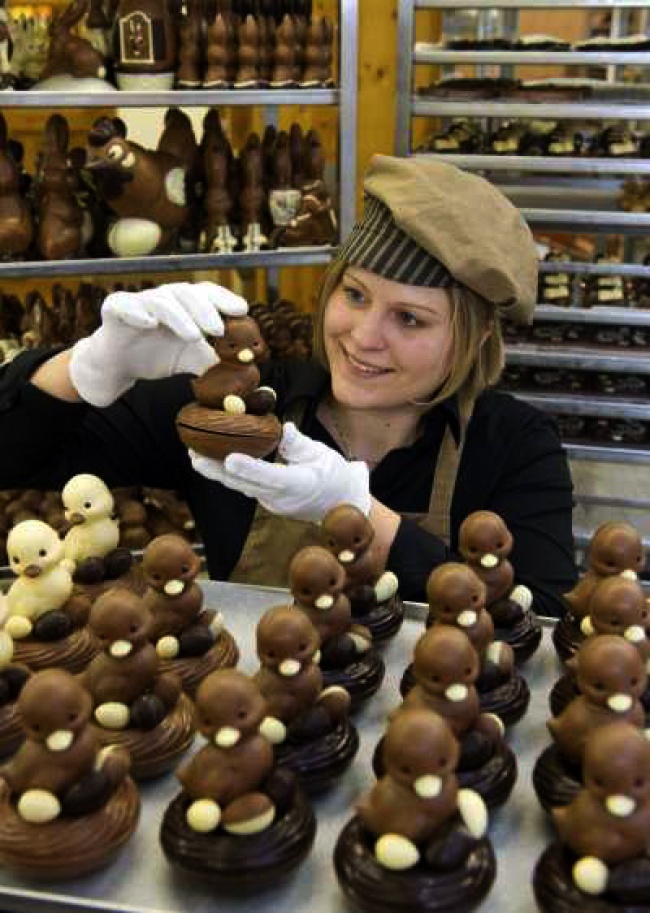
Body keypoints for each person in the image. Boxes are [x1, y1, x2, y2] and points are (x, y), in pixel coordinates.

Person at [0, 154, 576, 614]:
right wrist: (90, 367)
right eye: (355, 295)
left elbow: (544, 625)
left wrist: (360, 513)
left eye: (409, 319)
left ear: (475, 338)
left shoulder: (513, 445)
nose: (363, 337)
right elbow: (13, 458)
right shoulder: (239, 409)